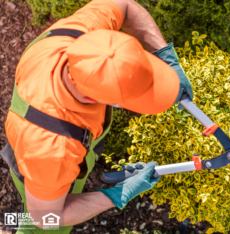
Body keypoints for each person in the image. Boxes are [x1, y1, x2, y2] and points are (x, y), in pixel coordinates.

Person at [2, 0, 193, 233]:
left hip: (45, 144)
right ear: (96, 101)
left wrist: (165, 56)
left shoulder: (81, 40)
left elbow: (124, 5)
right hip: (41, 184)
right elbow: (46, 217)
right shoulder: (53, 151)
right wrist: (116, 195)